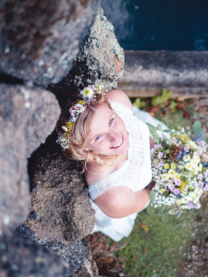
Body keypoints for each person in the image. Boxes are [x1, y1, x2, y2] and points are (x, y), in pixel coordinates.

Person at [57, 86, 168, 242]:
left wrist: (165, 153)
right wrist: (165, 181)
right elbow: (138, 200)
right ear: (85, 148)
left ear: (111, 107)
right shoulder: (113, 195)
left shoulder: (117, 100)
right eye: (98, 137)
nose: (116, 137)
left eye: (111, 121)